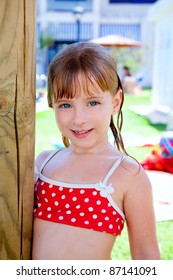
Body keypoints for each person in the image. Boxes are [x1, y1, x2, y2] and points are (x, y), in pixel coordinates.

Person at [32, 42, 160, 260]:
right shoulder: (43, 163)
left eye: (92, 103)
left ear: (115, 102)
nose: (78, 119)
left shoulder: (127, 174)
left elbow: (146, 256)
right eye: (65, 105)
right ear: (52, 104)